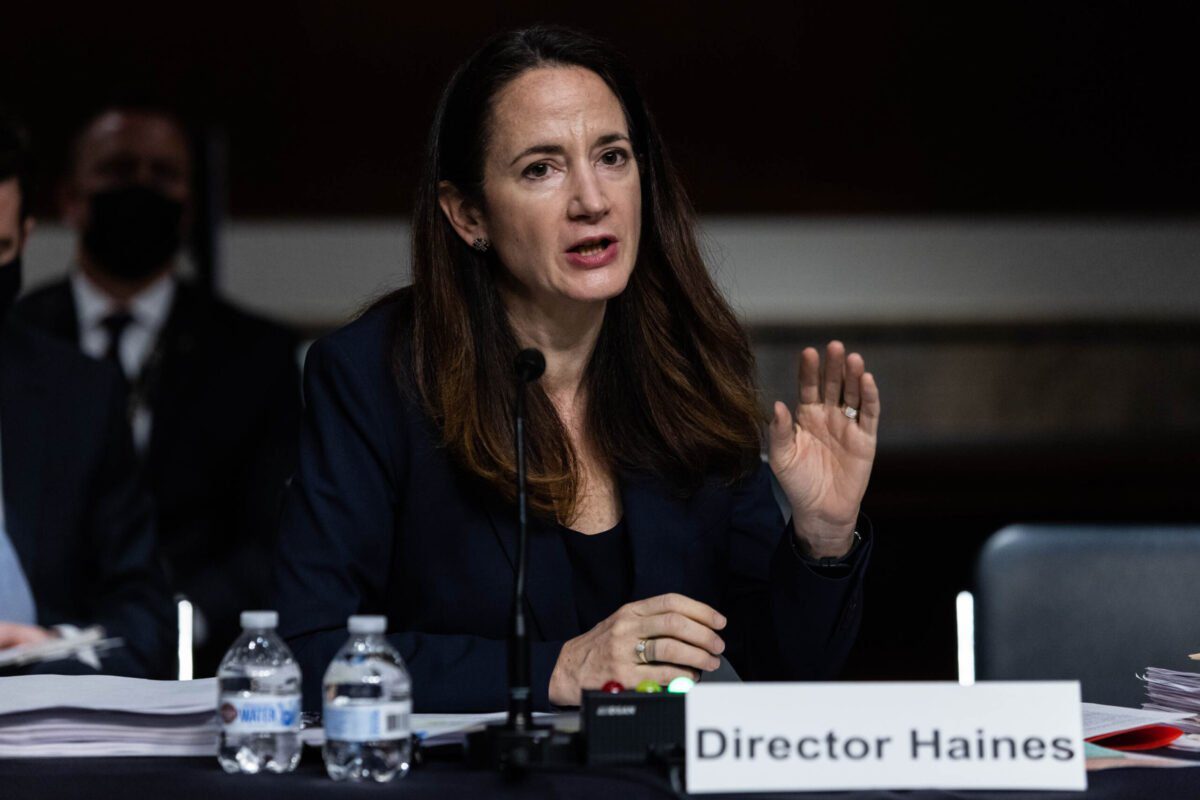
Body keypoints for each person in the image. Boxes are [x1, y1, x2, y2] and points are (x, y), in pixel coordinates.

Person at [274, 26, 880, 712]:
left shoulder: (692, 372)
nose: (592, 200)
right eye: (542, 168)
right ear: (469, 215)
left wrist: (823, 537)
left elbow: (782, 669)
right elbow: (307, 652)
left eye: (612, 157)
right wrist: (556, 669)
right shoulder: (372, 377)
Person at [14, 105, 302, 676]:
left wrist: (177, 620)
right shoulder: (20, 337)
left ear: (188, 204)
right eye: (118, 170)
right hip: (35, 651)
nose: (140, 189)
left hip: (209, 657)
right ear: (71, 198)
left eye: (163, 175)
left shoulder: (254, 354)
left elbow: (276, 530)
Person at [0, 112, 172, 678]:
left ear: (25, 237)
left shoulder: (78, 395)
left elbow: (144, 617)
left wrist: (52, 649)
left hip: (41, 706)